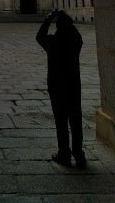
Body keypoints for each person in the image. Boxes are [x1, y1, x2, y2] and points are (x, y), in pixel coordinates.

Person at [36, 10, 86, 168]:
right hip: (73, 85)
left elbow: (39, 36)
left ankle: (64, 153)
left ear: (57, 26)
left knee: (61, 121)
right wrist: (66, 19)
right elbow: (76, 34)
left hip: (57, 86)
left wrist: (48, 19)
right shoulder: (75, 41)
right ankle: (79, 155)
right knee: (76, 120)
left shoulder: (53, 42)